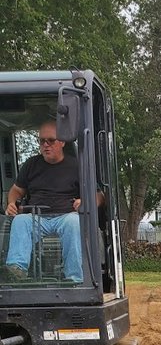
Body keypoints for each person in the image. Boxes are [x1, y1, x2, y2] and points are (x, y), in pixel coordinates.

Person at [4, 121, 102, 283]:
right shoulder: (31, 164)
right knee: (20, 221)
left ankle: (74, 278)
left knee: (74, 222)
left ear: (62, 142)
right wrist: (12, 203)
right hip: (36, 218)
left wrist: (86, 201)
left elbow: (99, 196)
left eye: (51, 140)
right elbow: (16, 189)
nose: (45, 145)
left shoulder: (77, 166)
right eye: (41, 141)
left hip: (65, 216)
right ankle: (16, 270)